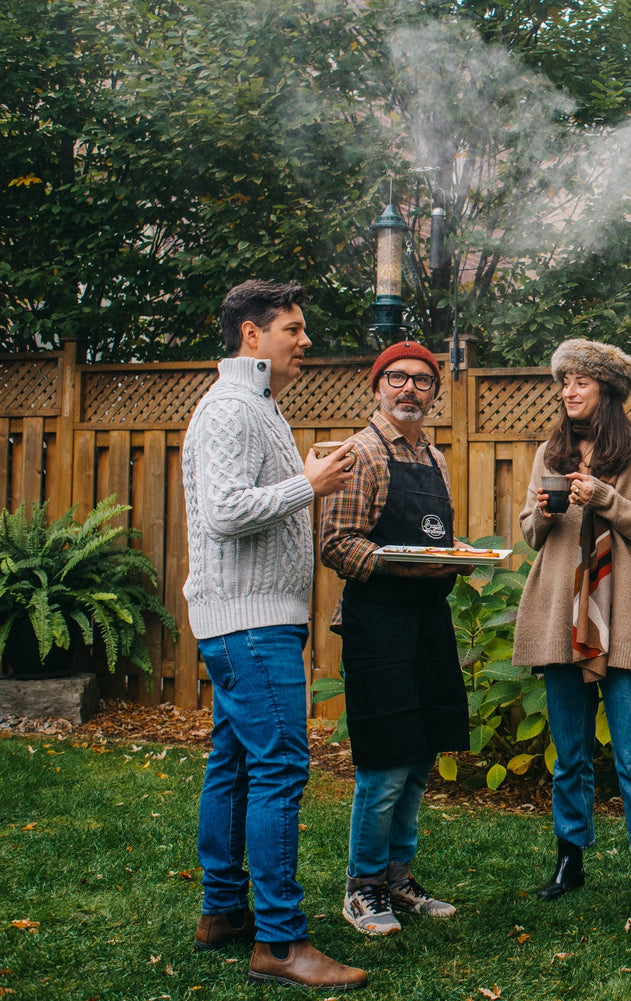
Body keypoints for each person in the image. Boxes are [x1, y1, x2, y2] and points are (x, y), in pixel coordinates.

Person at [181, 280, 367, 991]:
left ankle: (224, 912)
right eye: (293, 327)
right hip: (251, 625)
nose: (306, 339)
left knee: (232, 764)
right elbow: (228, 511)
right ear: (251, 337)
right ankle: (282, 942)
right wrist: (309, 484)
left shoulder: (257, 407)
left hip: (250, 620)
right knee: (280, 769)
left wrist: (305, 476)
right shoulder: (232, 407)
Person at [513, 338, 631, 912]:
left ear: (607, 390)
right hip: (563, 615)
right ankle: (569, 859)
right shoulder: (549, 453)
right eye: (565, 382)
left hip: (621, 615)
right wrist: (545, 510)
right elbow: (530, 535)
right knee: (571, 751)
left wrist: (605, 497)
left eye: (581, 381)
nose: (569, 390)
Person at [319, 340, 470, 936]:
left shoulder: (436, 459)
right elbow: (336, 543)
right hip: (377, 622)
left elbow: (434, 543)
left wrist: (453, 559)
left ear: (435, 393)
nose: (410, 389)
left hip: (427, 621)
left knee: (419, 755)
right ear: (377, 387)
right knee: (384, 762)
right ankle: (362, 888)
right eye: (398, 379)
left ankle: (398, 881)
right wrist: (399, 563)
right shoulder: (362, 454)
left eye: (422, 381)